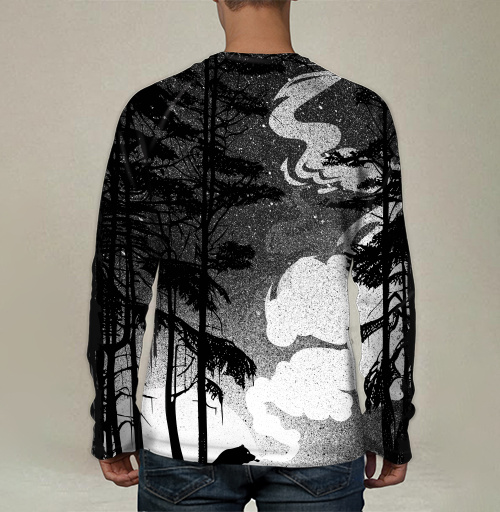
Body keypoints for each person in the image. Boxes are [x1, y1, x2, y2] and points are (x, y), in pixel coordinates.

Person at [86, 0, 417, 510]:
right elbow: (387, 284)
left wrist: (114, 423)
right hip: (321, 436)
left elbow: (119, 281)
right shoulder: (362, 111)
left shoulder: (155, 110)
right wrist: (390, 426)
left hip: (182, 438)